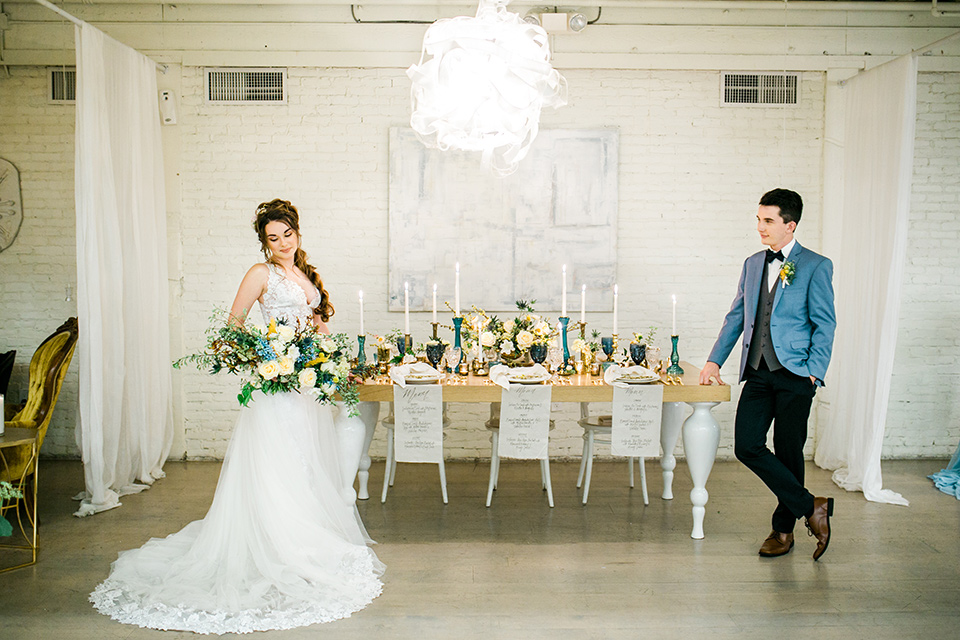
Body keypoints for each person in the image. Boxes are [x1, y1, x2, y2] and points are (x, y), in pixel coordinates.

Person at [91, 199, 384, 633]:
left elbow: (319, 326)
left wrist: (334, 359)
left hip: (306, 389)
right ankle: (276, 547)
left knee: (305, 464)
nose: (282, 243)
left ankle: (303, 542)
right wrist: (271, 357)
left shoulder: (306, 274)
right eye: (273, 238)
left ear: (297, 234)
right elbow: (232, 326)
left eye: (288, 235)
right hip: (277, 390)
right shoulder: (260, 274)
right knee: (278, 466)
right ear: (264, 242)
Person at [699, 188, 836, 560]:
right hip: (758, 372)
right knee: (747, 445)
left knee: (789, 452)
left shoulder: (816, 266)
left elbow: (825, 324)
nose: (760, 227)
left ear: (790, 225)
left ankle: (782, 531)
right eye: (759, 219)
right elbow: (737, 316)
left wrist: (814, 373)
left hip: (796, 374)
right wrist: (714, 361)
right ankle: (813, 507)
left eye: (768, 220)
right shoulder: (753, 263)